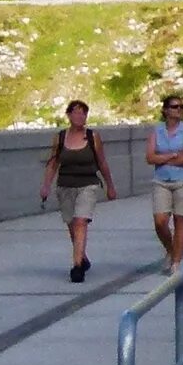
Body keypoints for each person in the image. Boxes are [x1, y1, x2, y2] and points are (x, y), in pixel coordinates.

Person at [39, 99, 116, 283]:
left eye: (83, 113)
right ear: (69, 115)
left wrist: (110, 186)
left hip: (88, 184)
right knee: (72, 225)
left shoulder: (92, 137)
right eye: (76, 112)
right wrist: (46, 185)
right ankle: (82, 257)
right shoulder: (60, 137)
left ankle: (77, 267)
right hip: (65, 185)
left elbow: (102, 162)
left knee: (81, 221)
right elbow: (53, 163)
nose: (80, 116)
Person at [144, 92, 183, 269]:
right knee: (160, 221)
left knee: (180, 220)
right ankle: (170, 248)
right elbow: (150, 157)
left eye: (181, 107)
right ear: (165, 110)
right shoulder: (156, 131)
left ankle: (176, 262)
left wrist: (163, 157)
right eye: (175, 107)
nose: (179, 110)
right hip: (161, 180)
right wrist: (173, 155)